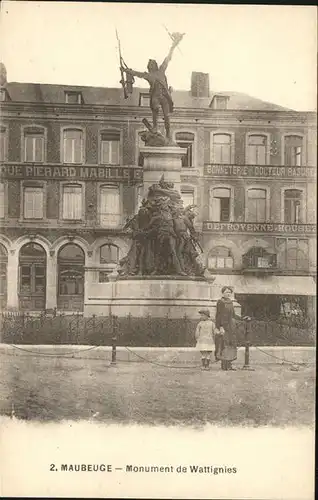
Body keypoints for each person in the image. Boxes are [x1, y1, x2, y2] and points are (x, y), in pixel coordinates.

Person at [124, 33, 184, 141]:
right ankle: (155, 127)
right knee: (155, 107)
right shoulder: (149, 75)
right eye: (149, 65)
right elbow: (137, 73)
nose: (150, 66)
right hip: (155, 96)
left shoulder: (161, 71)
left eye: (152, 65)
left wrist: (173, 45)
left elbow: (168, 58)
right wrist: (126, 70)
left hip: (165, 96)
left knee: (166, 116)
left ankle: (168, 134)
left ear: (154, 65)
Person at [215, 286, 250, 371]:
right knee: (224, 344)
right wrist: (220, 327)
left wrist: (242, 318)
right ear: (222, 293)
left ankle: (229, 365)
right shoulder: (220, 302)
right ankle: (224, 365)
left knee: (231, 344)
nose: (228, 293)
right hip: (224, 326)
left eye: (230, 292)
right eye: (226, 292)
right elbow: (219, 315)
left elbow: (233, 315)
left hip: (231, 326)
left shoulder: (230, 302)